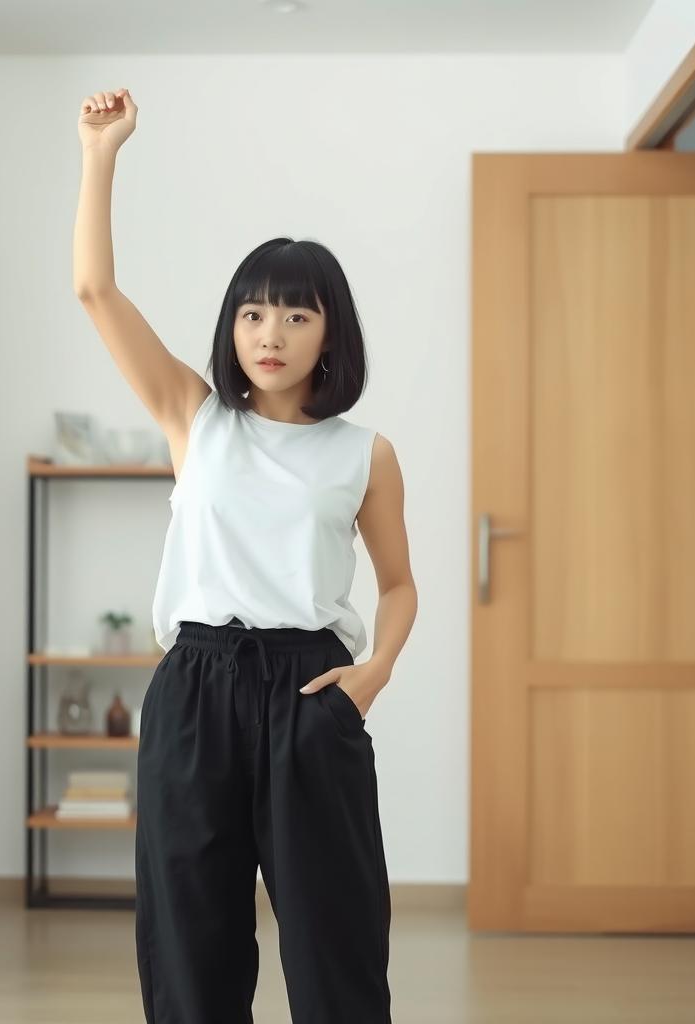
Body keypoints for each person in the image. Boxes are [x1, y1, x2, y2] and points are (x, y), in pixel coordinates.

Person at [73, 87, 418, 1024]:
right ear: (232, 326)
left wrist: (373, 673)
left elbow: (398, 583)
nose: (272, 335)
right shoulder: (195, 418)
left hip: (311, 691)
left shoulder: (363, 453)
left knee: (335, 938)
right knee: (191, 939)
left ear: (329, 334)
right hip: (197, 684)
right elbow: (96, 291)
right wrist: (102, 154)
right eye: (255, 315)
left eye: (297, 318)